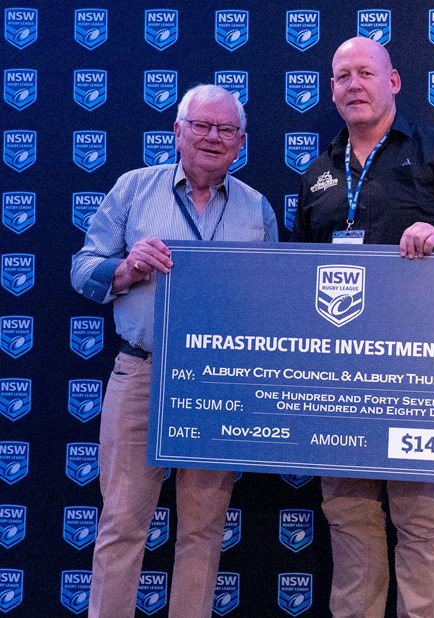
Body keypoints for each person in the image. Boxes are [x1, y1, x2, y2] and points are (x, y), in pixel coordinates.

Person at [292, 37, 434, 617]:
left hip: (420, 373)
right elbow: (299, 272)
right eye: (342, 76)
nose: (353, 84)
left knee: (420, 517)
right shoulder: (317, 173)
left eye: (365, 73)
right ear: (331, 90)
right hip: (339, 380)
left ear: (392, 82)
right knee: (348, 514)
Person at [71, 84, 278, 618]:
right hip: (143, 372)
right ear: (177, 132)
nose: (213, 137)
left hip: (219, 384)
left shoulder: (257, 209)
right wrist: (125, 269)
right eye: (201, 126)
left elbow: (272, 301)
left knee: (204, 530)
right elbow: (82, 268)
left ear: (241, 143)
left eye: (226, 129)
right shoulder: (134, 189)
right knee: (121, 522)